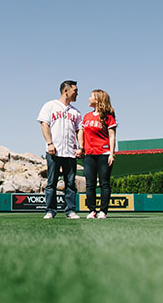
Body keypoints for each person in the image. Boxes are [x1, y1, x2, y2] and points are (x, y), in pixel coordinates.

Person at [37, 80, 83, 219]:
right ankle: (50, 210)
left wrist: (80, 147)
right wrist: (49, 143)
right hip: (54, 151)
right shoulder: (50, 105)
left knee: (70, 183)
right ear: (66, 91)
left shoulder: (76, 112)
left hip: (70, 152)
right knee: (52, 182)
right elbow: (44, 124)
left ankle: (70, 211)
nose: (77, 94)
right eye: (75, 91)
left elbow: (79, 130)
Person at [79, 89, 117, 219]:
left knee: (104, 183)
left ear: (98, 100)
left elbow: (112, 136)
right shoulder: (86, 116)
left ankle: (103, 211)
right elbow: (82, 133)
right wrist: (81, 147)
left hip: (104, 153)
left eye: (91, 96)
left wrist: (111, 154)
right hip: (89, 154)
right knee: (90, 184)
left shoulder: (108, 116)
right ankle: (92, 211)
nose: (88, 98)